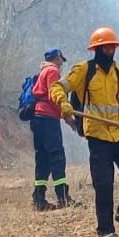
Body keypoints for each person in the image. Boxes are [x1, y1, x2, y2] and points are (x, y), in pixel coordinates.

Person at [49, 27, 119, 237]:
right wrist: (63, 103)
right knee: (103, 183)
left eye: (113, 46)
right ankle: (105, 230)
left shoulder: (116, 71)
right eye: (106, 47)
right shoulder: (85, 69)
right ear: (97, 49)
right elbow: (57, 87)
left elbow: (118, 103)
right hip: (98, 136)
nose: (111, 50)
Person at [29, 48, 80, 211]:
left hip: (38, 118)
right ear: (57, 58)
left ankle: (39, 198)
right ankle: (63, 197)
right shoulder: (52, 71)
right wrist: (69, 118)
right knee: (57, 156)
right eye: (61, 60)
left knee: (42, 157)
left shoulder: (43, 71)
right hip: (48, 119)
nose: (62, 64)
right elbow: (55, 96)